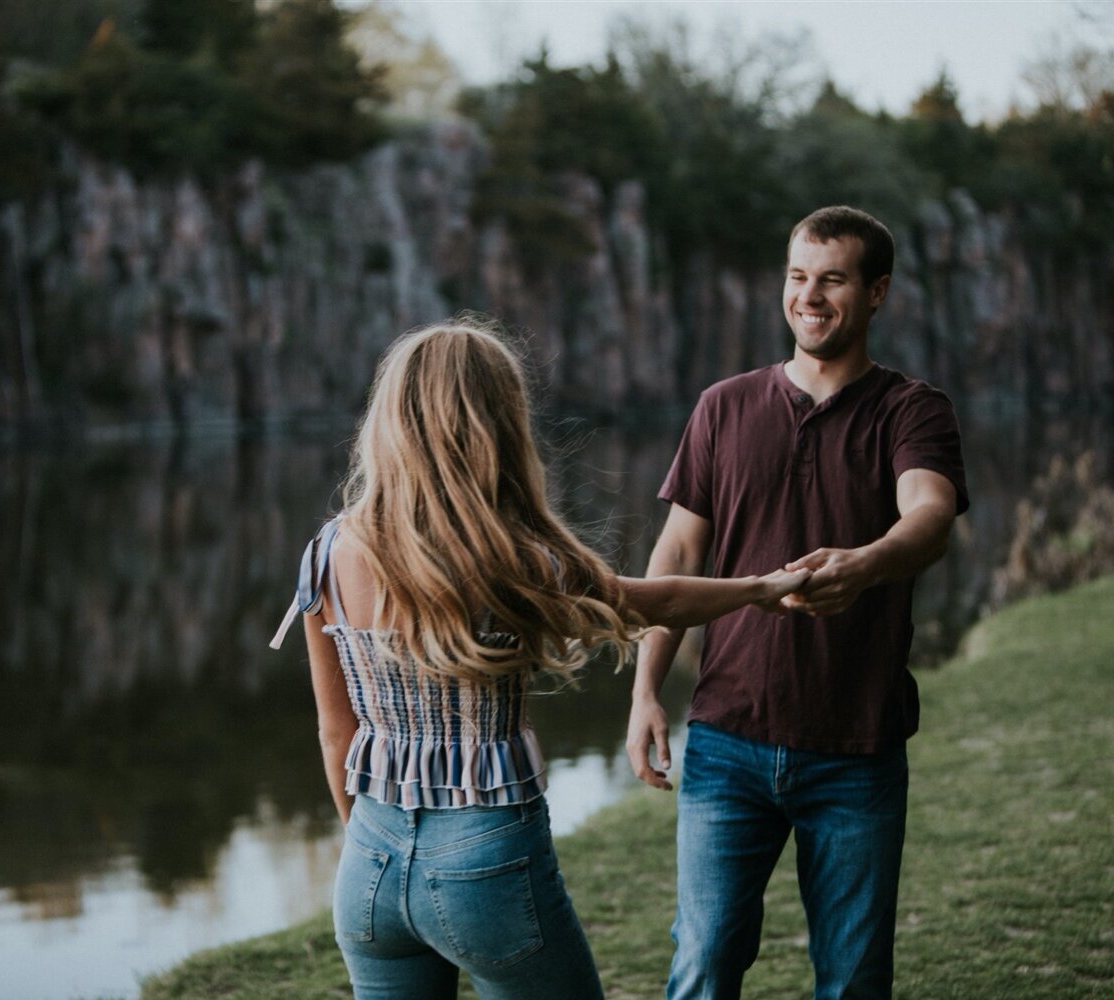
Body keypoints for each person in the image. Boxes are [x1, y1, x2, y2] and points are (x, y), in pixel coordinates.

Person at [269, 317, 813, 1000]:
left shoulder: (326, 553)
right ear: (498, 425)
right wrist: (759, 590)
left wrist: (373, 847)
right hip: (485, 856)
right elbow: (657, 600)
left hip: (369, 863)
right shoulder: (517, 562)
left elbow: (334, 731)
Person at [625, 206, 969, 1000]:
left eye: (833, 280)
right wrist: (646, 691)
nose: (809, 297)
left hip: (856, 745)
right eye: (797, 276)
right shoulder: (723, 406)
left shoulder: (911, 409)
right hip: (725, 744)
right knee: (704, 965)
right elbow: (677, 554)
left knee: (851, 981)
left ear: (877, 291)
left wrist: (871, 561)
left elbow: (930, 515)